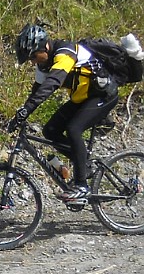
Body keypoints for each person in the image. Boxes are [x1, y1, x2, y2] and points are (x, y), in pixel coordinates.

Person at [8, 23, 119, 204]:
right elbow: (37, 92)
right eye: (31, 60)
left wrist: (26, 110)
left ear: (45, 46)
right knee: (50, 130)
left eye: (34, 56)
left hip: (103, 95)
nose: (33, 62)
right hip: (82, 98)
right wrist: (20, 115)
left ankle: (82, 185)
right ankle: (84, 164)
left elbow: (52, 83)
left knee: (73, 129)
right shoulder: (44, 65)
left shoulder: (64, 53)